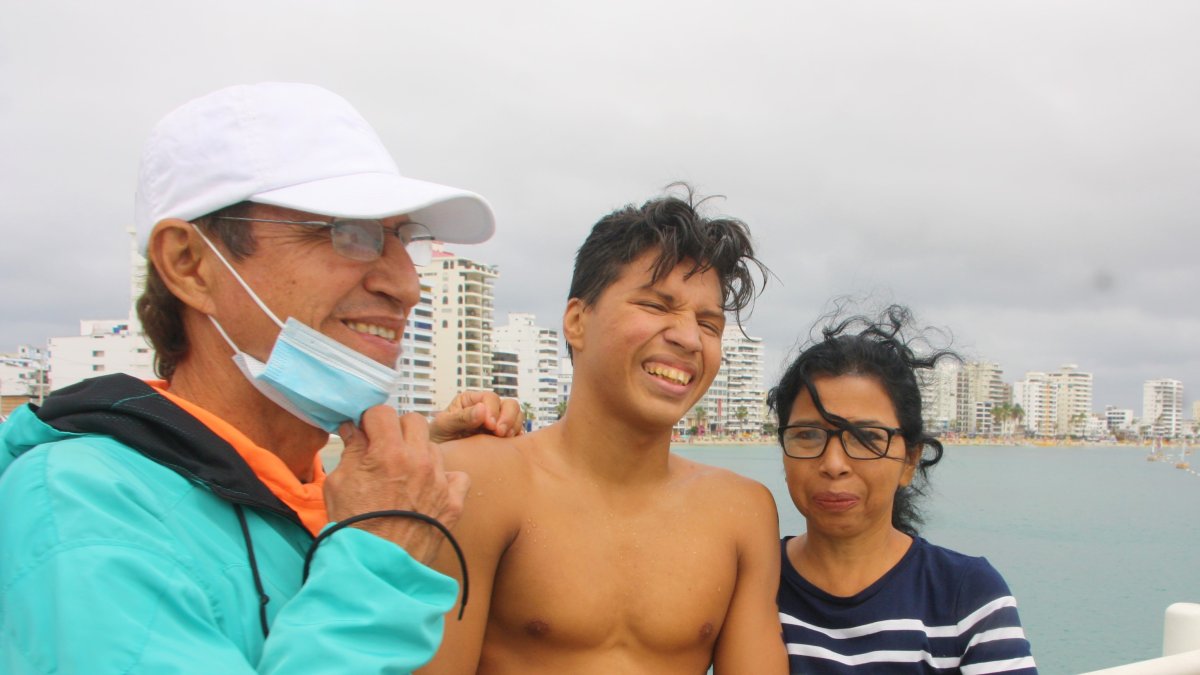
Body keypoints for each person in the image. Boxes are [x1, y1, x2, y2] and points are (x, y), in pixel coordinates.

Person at [0, 82, 523, 673]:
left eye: (403, 238)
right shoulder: (81, 506)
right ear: (190, 265)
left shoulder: (300, 489)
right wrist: (377, 557)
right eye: (347, 232)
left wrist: (418, 452)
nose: (405, 284)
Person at [420, 191, 788, 674]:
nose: (688, 338)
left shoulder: (743, 512)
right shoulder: (480, 480)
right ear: (576, 321)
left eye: (708, 323)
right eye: (657, 306)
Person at [767, 306, 1037, 674]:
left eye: (865, 438)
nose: (833, 464)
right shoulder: (758, 582)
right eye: (808, 435)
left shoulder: (965, 594)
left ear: (910, 460)